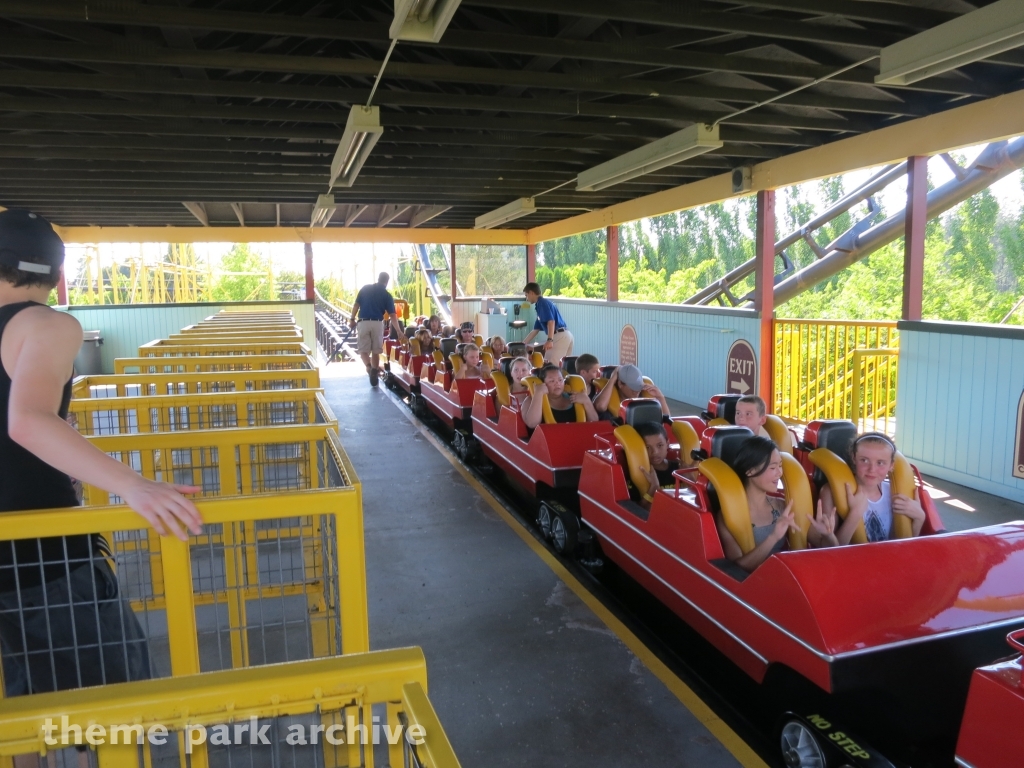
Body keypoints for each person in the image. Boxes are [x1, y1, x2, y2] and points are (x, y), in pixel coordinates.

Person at [0, 210, 203, 699]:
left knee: (21, 700)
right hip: (42, 555)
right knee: (121, 694)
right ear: (55, 274)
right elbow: (27, 420)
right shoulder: (46, 325)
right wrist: (133, 484)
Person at [717, 437, 837, 572]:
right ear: (749, 471)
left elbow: (824, 545)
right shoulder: (729, 515)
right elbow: (738, 568)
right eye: (773, 467)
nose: (779, 473)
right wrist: (774, 537)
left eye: (780, 466)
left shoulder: (782, 506)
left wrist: (828, 535)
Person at [820, 433, 925, 545]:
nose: (872, 469)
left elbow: (908, 546)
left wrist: (920, 518)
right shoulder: (832, 491)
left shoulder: (897, 492)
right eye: (864, 460)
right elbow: (831, 548)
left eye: (880, 463)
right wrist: (855, 513)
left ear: (891, 466)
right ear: (854, 458)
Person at [349, 272, 402, 387]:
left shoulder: (365, 289)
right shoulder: (387, 295)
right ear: (386, 282)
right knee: (376, 351)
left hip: (363, 322)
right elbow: (393, 315)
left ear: (378, 279)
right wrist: (398, 331)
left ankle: (369, 368)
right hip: (378, 323)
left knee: (363, 350)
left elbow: (356, 305)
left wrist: (352, 319)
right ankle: (374, 369)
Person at [522, 364, 597, 429]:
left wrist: (587, 401)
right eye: (552, 381)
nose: (557, 384)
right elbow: (532, 424)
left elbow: (595, 422)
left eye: (560, 380)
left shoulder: (575, 396)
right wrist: (538, 393)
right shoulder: (531, 400)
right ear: (543, 383)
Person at [593, 364, 670, 423]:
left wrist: (660, 398)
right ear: (620, 384)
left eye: (639, 386)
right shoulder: (605, 398)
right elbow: (601, 406)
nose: (636, 390)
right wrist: (612, 380)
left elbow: (666, 421)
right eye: (632, 387)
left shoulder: (644, 398)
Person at [522, 282, 573, 364]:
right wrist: (522, 344)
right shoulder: (540, 306)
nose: (526, 299)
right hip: (566, 335)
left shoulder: (542, 303)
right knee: (563, 366)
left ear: (531, 293)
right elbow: (535, 329)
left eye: (526, 295)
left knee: (549, 366)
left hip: (559, 336)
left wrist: (550, 340)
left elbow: (551, 321)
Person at [633, 422, 680, 509]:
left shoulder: (679, 468)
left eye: (660, 445)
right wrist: (654, 487)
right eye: (647, 447)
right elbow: (637, 513)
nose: (655, 452)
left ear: (667, 444)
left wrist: (691, 479)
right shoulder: (637, 473)